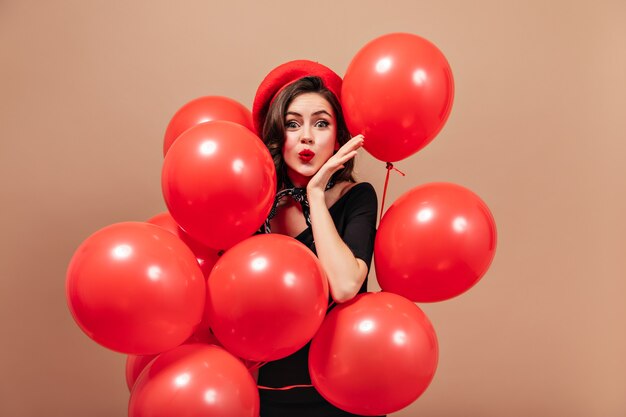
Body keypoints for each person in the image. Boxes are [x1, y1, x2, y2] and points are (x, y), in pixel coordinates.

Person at [251, 60, 384, 417]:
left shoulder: (357, 198)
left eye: (321, 123)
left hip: (346, 391)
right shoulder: (253, 206)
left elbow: (343, 287)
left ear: (339, 138)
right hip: (267, 392)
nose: (306, 136)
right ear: (278, 136)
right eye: (293, 124)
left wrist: (315, 193)